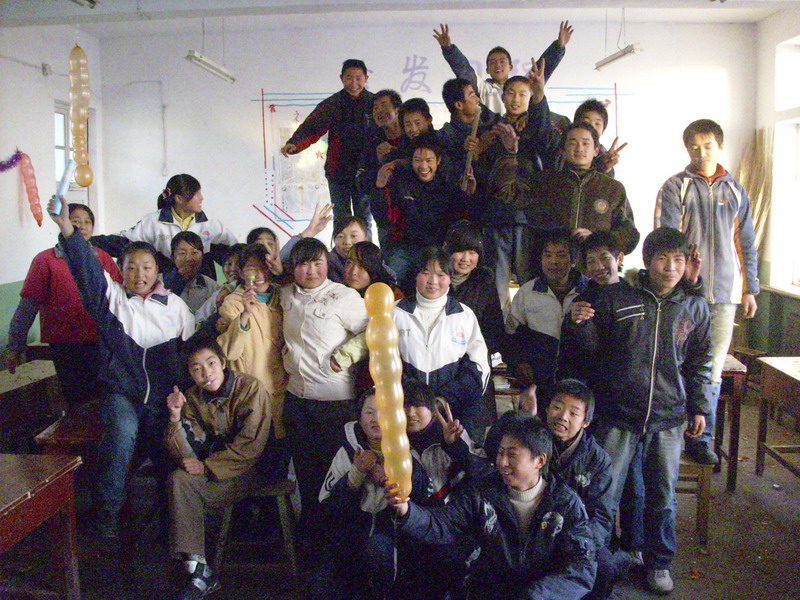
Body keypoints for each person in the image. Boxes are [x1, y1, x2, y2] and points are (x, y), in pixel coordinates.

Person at [561, 226, 713, 594]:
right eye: (662, 259)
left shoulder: (694, 306)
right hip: (618, 414)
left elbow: (700, 362)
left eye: (678, 260)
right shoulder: (619, 296)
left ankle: (658, 562)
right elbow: (590, 351)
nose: (670, 267)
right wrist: (577, 322)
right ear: (646, 261)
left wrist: (699, 407)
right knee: (604, 493)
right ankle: (592, 562)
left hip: (668, 417)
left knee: (663, 496)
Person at [48, 196, 195, 543]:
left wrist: (184, 395)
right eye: (131, 267)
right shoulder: (110, 299)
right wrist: (68, 229)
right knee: (120, 439)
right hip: (122, 394)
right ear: (120, 270)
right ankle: (107, 518)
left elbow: (192, 352)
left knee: (169, 454)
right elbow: (86, 269)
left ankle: (173, 524)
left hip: (165, 398)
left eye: (146, 267)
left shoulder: (175, 306)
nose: (139, 274)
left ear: (157, 271)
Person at [386, 411, 596, 600]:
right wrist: (406, 510)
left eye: (512, 455)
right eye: (500, 453)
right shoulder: (482, 493)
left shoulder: (565, 504)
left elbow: (581, 566)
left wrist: (537, 595)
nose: (502, 462)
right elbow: (442, 524)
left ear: (540, 461)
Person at [654, 118, 760, 465]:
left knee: (711, 369)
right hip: (684, 293)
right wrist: (677, 281)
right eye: (695, 147)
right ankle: (669, 434)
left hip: (725, 295)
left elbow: (746, 242)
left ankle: (702, 438)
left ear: (720, 146)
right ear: (686, 149)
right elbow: (666, 239)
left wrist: (751, 289)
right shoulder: (676, 187)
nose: (702, 153)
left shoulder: (736, 191)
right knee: (676, 362)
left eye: (708, 146)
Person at [165, 337, 272, 600]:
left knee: (187, 490)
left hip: (252, 469)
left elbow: (250, 446)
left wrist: (206, 466)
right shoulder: (191, 397)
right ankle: (198, 569)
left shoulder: (250, 388)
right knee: (179, 479)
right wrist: (175, 417)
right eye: (196, 368)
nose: (206, 373)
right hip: (214, 469)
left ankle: (198, 572)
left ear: (223, 362)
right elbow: (189, 455)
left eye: (211, 363)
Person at [279, 237, 369, 544]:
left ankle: (338, 543)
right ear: (293, 268)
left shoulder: (344, 296)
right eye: (303, 264)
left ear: (327, 264)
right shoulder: (285, 295)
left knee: (337, 475)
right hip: (297, 401)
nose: (311, 271)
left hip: (335, 404)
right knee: (306, 474)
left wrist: (346, 355)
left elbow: (374, 330)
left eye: (318, 263)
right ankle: (311, 539)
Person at [312, 389, 429, 600]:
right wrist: (355, 474)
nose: (376, 419)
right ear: (359, 418)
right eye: (369, 412)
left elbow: (421, 501)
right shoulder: (347, 453)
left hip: (392, 539)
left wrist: (394, 477)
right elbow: (328, 509)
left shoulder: (408, 454)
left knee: (379, 550)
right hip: (351, 533)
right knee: (327, 578)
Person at [4, 203, 122, 404]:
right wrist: (15, 346)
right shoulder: (45, 260)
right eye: (75, 221)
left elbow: (120, 300)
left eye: (87, 222)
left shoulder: (103, 257)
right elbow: (27, 307)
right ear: (64, 223)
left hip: (101, 341)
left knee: (104, 398)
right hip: (65, 345)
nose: (82, 227)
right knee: (77, 400)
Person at [490, 118, 640, 257]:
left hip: (594, 269)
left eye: (586, 143)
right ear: (563, 150)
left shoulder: (613, 188)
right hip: (548, 266)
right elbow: (504, 192)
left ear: (596, 151)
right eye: (572, 143)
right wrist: (509, 154)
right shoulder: (544, 181)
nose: (579, 148)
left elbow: (629, 235)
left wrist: (597, 240)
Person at [544, 379, 631, 600]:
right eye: (557, 407)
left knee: (604, 568)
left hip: (575, 539)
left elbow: (601, 517)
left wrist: (575, 545)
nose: (563, 417)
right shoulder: (531, 443)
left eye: (573, 413)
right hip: (534, 533)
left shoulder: (598, 460)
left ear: (586, 422)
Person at [393, 247, 489, 438]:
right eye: (425, 273)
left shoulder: (464, 315)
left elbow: (478, 367)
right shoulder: (395, 312)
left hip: (454, 413)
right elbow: (385, 363)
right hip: (407, 412)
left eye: (441, 274)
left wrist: (443, 399)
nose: (433, 281)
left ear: (450, 278)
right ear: (415, 276)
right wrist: (419, 400)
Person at [216, 242, 288, 471]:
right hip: (249, 397)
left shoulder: (282, 299)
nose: (259, 275)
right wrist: (245, 315)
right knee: (248, 462)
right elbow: (229, 352)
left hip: (280, 393)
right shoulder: (232, 304)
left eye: (265, 267)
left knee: (276, 462)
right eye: (252, 268)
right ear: (241, 271)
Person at [281, 59, 375, 229]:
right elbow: (312, 125)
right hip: (338, 171)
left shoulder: (375, 103)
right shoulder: (333, 103)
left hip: (366, 171)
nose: (354, 83)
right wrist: (295, 143)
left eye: (358, 78)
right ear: (341, 78)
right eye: (349, 78)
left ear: (366, 78)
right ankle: (340, 247)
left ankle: (365, 247)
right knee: (341, 218)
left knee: (364, 219)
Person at [92, 174, 238, 280]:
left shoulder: (210, 223)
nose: (201, 198)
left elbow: (234, 250)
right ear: (179, 198)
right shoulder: (153, 221)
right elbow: (123, 241)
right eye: (196, 194)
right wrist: (87, 241)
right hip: (167, 284)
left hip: (202, 285)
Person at [376, 135, 471, 293]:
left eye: (429, 160)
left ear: (438, 161)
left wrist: (468, 195)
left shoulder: (447, 187)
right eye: (417, 160)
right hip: (405, 249)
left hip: (436, 251)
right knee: (388, 283)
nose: (423, 166)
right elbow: (383, 218)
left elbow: (460, 221)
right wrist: (380, 187)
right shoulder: (401, 183)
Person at [505, 228, 587, 404]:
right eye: (547, 255)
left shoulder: (589, 291)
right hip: (539, 383)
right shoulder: (528, 292)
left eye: (561, 255)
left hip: (579, 383)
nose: (553, 261)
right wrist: (519, 362)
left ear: (573, 260)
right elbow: (511, 335)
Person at [432, 22, 572, 115]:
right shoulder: (483, 88)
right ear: (487, 69)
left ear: (510, 67)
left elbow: (542, 69)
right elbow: (464, 70)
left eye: (502, 61)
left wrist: (558, 47)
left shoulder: (522, 85)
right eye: (492, 62)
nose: (497, 65)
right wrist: (449, 49)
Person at [163, 231, 220, 314]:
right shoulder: (159, 282)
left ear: (202, 256)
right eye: (182, 253)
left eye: (194, 252)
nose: (188, 259)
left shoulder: (212, 286)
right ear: (172, 258)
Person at [573, 99, 627, 177]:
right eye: (586, 122)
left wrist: (606, 168)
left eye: (597, 124)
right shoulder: (563, 146)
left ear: (603, 130)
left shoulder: (603, 156)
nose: (592, 127)